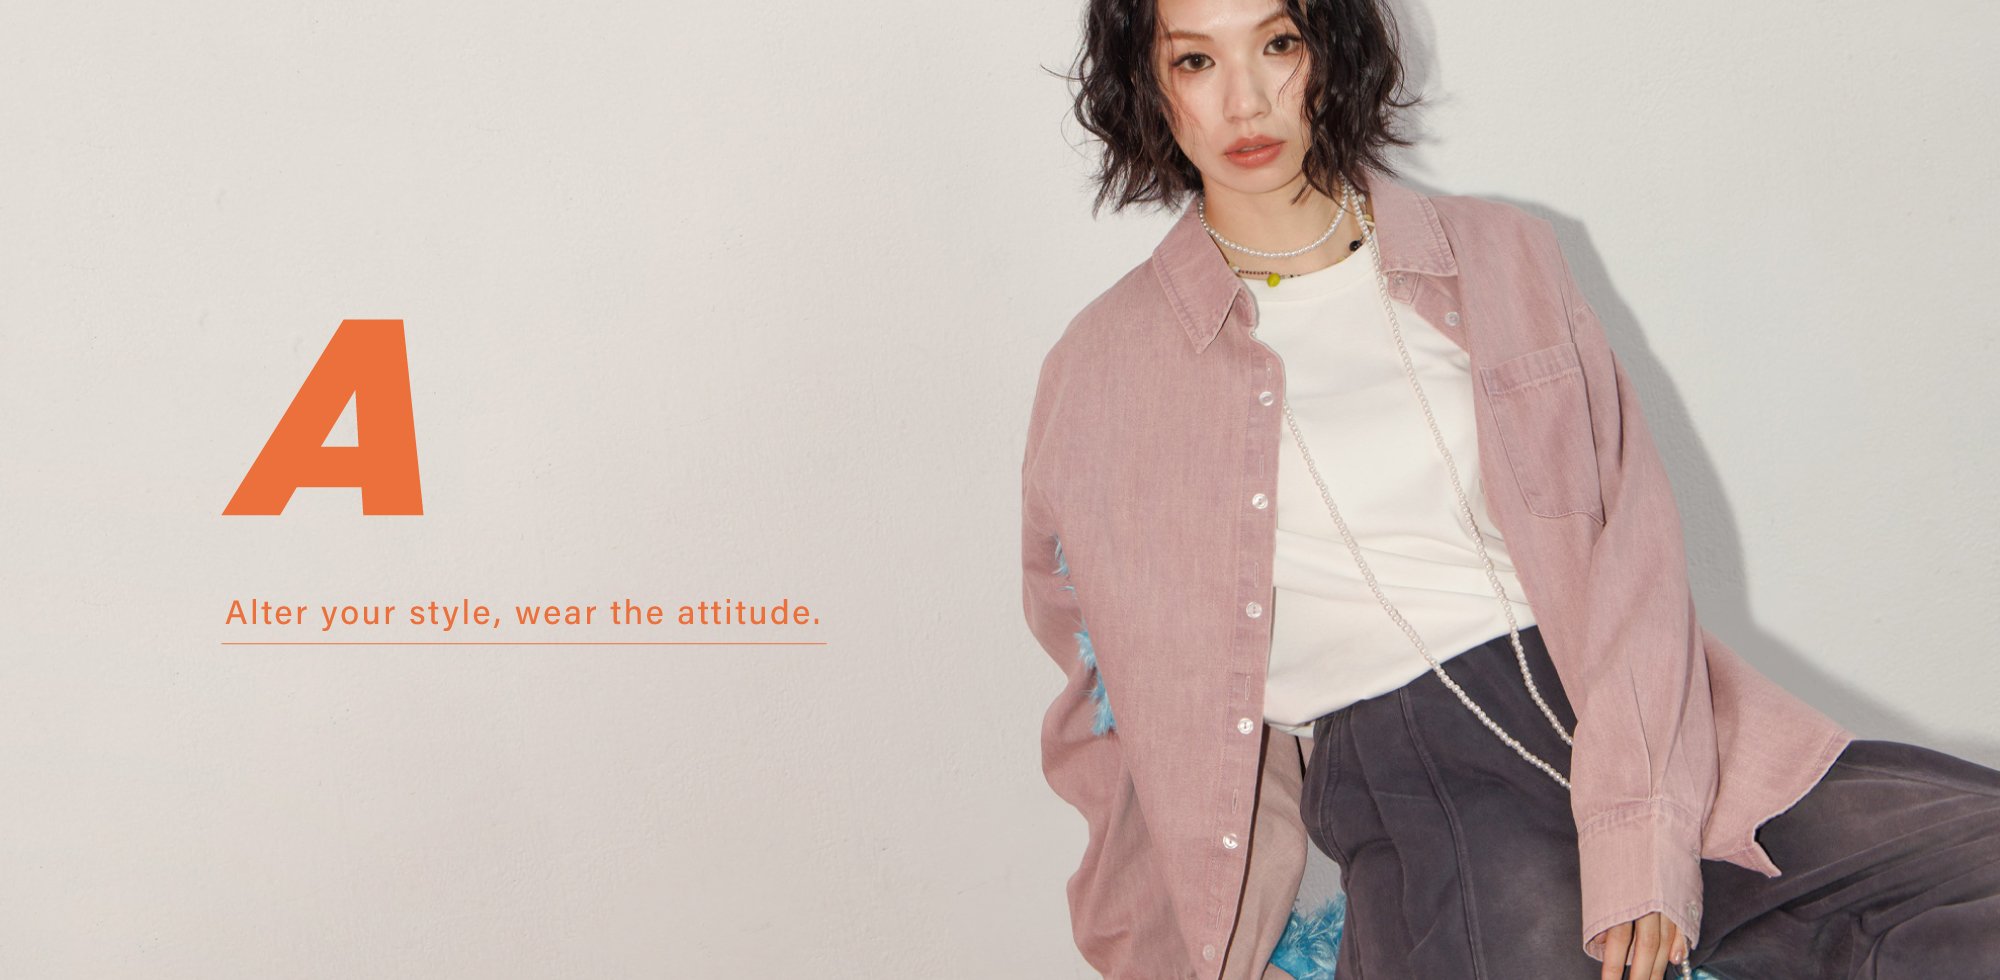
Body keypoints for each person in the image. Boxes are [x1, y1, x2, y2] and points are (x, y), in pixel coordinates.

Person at [1019, 0, 2000, 977]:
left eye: (1278, 44)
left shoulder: (1496, 253)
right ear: (1149, 87)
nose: (1245, 100)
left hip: (1638, 715)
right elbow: (1108, 702)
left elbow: (1628, 552)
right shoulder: (1105, 369)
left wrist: (1640, 830)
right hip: (1416, 773)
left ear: (1330, 52)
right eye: (1195, 61)